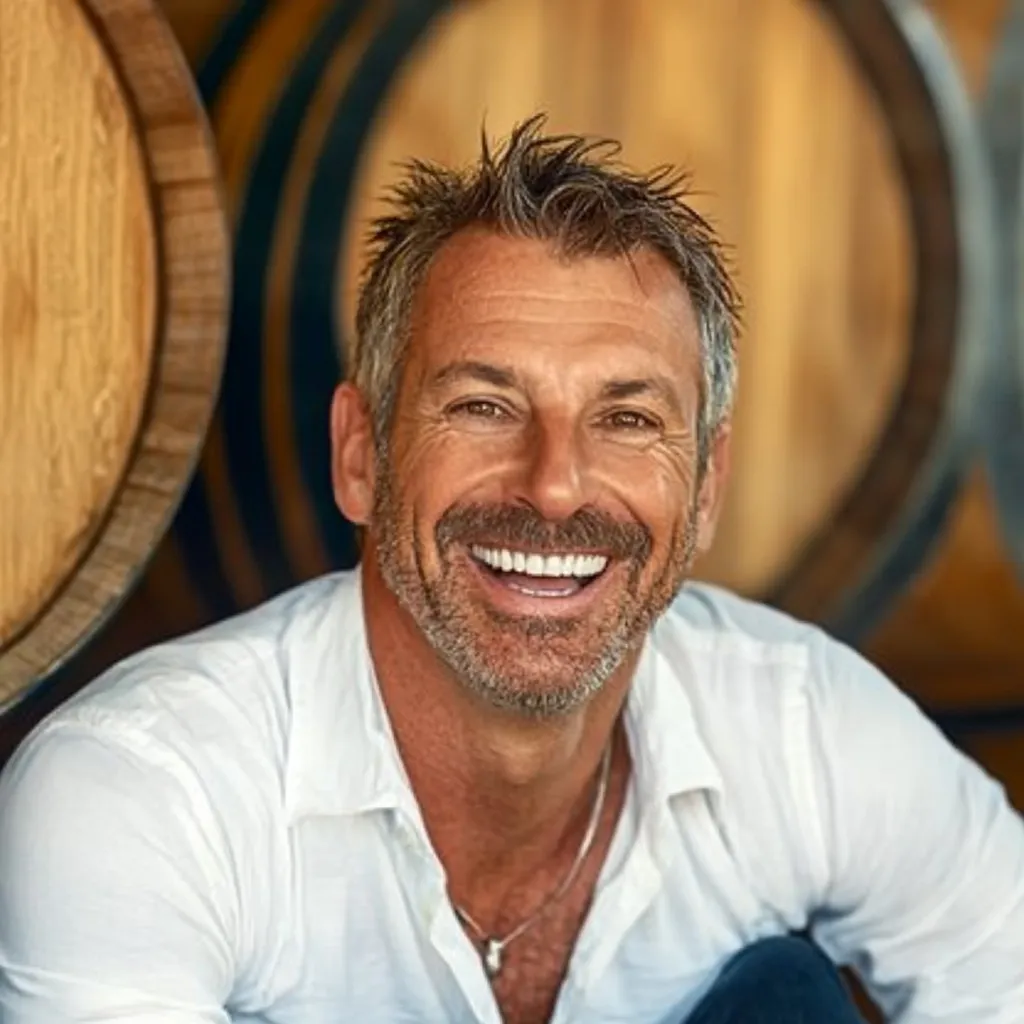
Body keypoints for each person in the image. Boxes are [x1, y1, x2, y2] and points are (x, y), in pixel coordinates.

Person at [0, 115, 1022, 1024]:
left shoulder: (808, 731)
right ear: (361, 453)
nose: (556, 488)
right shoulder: (146, 789)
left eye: (626, 419)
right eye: (484, 405)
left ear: (705, 488)